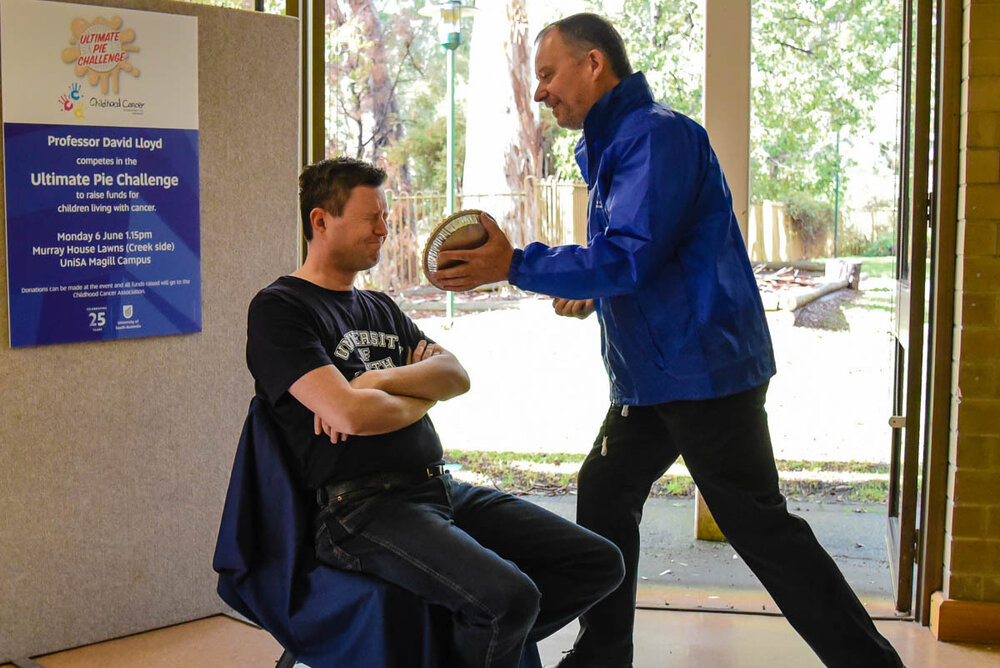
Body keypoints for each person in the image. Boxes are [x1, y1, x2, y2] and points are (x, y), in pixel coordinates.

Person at [431, 13, 904, 668]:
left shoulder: (656, 138)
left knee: (762, 532)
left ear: (593, 64)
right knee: (604, 488)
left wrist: (515, 263)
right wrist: (593, 290)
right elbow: (635, 261)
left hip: (703, 373)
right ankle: (604, 656)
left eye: (547, 74)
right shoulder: (609, 146)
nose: (540, 92)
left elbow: (631, 257)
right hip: (652, 378)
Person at [245, 156, 624, 668]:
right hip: (361, 511)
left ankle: (468, 644)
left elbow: (456, 376)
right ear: (320, 220)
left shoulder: (379, 307)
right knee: (509, 601)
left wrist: (377, 382)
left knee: (598, 563)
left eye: (386, 215)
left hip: (437, 489)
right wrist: (415, 394)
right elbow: (351, 415)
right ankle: (481, 636)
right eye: (371, 217)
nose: (385, 228)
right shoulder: (281, 309)